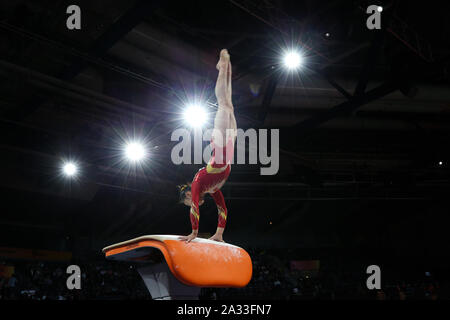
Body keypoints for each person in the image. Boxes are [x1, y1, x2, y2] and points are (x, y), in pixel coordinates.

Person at [178, 49, 237, 243]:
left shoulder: (197, 185)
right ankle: (226, 69)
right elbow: (223, 209)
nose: (192, 203)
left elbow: (194, 208)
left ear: (187, 194)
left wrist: (194, 233)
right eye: (190, 202)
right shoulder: (212, 190)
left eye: (187, 201)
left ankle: (222, 68)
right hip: (228, 150)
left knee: (223, 105)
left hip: (220, 150)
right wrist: (219, 232)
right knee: (228, 105)